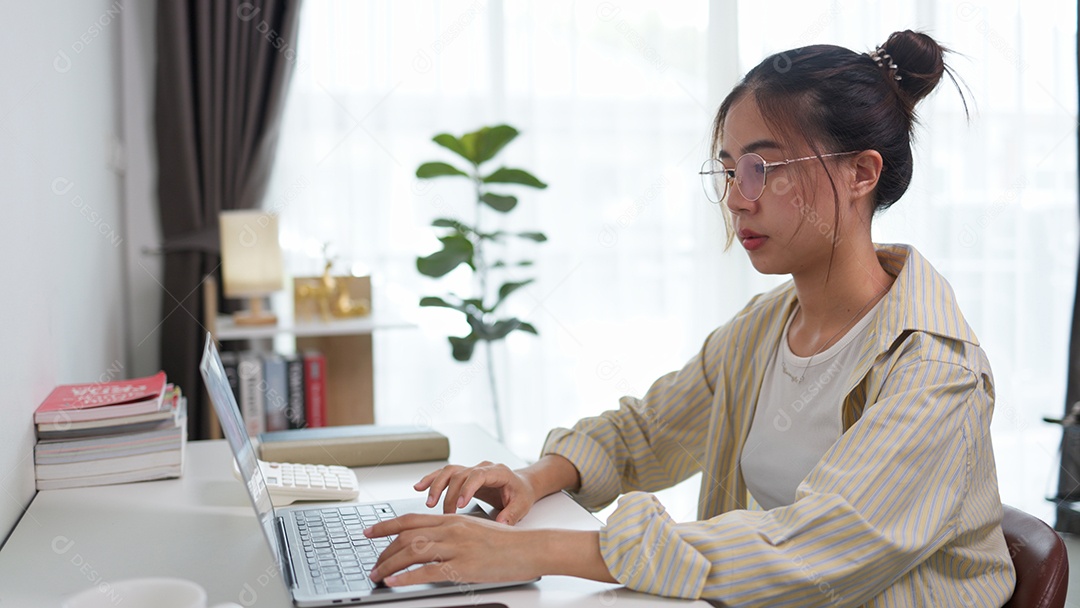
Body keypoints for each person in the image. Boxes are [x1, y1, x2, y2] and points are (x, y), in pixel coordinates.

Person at [364, 30, 1017, 605]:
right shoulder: (765, 328)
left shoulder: (935, 372)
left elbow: (805, 545)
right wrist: (528, 481)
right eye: (729, 171)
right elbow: (644, 433)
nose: (736, 199)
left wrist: (528, 553)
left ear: (860, 174)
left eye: (763, 168)